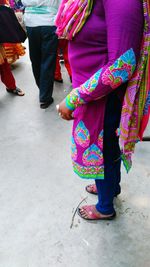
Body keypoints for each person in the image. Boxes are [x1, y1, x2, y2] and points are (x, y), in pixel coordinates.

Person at [56, 0, 150, 220]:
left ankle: (105, 207)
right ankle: (109, 187)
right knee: (106, 147)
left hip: (103, 96)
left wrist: (73, 99)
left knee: (103, 150)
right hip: (92, 92)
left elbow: (122, 65)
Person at [22, 0, 61, 109]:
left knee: (35, 59)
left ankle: (42, 89)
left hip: (31, 23)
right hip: (49, 22)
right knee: (48, 61)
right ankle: (45, 96)